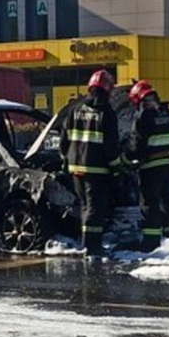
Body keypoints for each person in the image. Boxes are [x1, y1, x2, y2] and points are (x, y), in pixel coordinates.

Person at [60, 69, 120, 256]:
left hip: (76, 168)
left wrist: (66, 159)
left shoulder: (75, 109)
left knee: (85, 207)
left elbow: (64, 139)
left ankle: (86, 243)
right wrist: (117, 168)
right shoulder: (106, 112)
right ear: (108, 90)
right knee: (95, 209)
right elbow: (111, 146)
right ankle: (92, 247)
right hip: (97, 170)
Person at [125, 80, 169, 250]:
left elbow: (136, 145)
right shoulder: (166, 113)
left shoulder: (143, 117)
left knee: (150, 204)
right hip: (168, 165)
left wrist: (124, 160)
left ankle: (151, 243)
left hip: (151, 166)